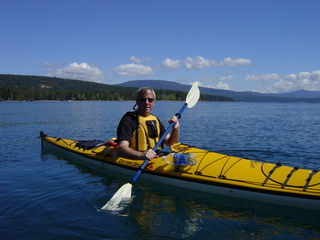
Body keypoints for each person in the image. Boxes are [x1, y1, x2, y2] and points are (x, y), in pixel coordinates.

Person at [116, 87, 179, 160]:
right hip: (137, 158)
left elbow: (170, 143)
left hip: (156, 157)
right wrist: (140, 155)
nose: (147, 102)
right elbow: (122, 147)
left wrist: (175, 129)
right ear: (137, 101)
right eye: (143, 100)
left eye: (150, 100)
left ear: (154, 102)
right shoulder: (129, 119)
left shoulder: (155, 119)